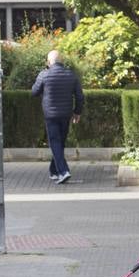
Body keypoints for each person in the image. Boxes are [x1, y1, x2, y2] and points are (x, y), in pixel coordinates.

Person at [31, 50, 84, 184]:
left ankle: (63, 171)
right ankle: (53, 171)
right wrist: (77, 112)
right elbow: (79, 96)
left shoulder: (44, 74)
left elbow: (34, 92)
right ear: (62, 62)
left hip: (50, 115)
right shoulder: (71, 75)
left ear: (49, 62)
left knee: (55, 142)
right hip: (66, 114)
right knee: (60, 143)